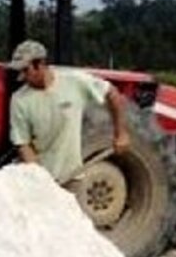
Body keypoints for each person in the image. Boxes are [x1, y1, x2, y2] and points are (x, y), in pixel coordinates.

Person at [8, 40, 130, 184]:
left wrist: (120, 133)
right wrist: (39, 178)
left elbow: (112, 93)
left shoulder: (74, 81)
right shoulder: (19, 100)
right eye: (19, 71)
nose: (21, 76)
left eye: (25, 70)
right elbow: (23, 143)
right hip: (44, 181)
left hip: (73, 176)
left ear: (40, 64)